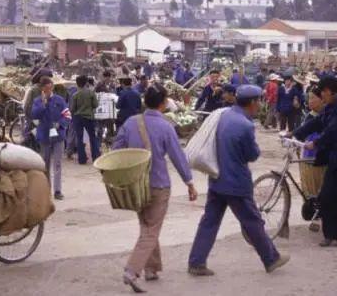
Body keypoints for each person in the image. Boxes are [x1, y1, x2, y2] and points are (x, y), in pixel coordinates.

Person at [188, 85, 289, 276]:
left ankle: (196, 261)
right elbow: (252, 155)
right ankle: (271, 258)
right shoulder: (245, 125)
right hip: (236, 183)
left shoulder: (224, 115)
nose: (260, 105)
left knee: (209, 221)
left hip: (217, 179)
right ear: (252, 102)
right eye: (259, 101)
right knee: (252, 221)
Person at [113, 84, 198, 293]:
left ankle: (152, 269)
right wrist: (189, 182)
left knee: (147, 227)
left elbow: (116, 150)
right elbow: (178, 156)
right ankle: (132, 270)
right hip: (159, 184)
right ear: (163, 103)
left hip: (136, 185)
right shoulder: (166, 126)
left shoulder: (131, 123)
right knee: (151, 230)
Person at [294, 76, 337, 246]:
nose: (322, 95)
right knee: (326, 196)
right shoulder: (331, 107)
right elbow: (317, 123)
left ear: (333, 91)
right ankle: (331, 234)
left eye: (324, 92)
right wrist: (295, 133)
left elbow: (332, 131)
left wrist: (315, 143)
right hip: (336, 159)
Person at [32, 76, 71, 200]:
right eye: (46, 89)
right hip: (44, 135)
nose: (48, 91)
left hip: (58, 135)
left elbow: (67, 115)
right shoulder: (38, 101)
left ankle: (58, 190)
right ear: (42, 89)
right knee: (45, 164)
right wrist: (43, 105)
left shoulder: (59, 100)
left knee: (58, 163)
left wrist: (60, 123)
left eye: (50, 88)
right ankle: (45, 189)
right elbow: (34, 115)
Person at [70, 75, 101, 165]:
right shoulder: (91, 93)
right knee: (93, 137)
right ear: (86, 82)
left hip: (78, 118)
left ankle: (82, 159)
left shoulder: (75, 95)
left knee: (79, 138)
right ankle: (95, 157)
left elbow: (72, 108)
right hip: (89, 117)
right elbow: (95, 105)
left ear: (77, 83)